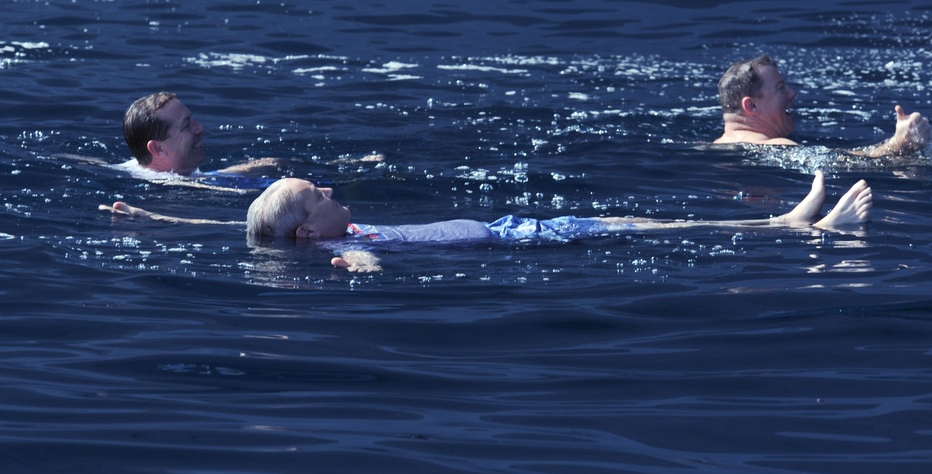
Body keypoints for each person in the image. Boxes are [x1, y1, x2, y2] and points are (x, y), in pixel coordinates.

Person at [100, 172, 874, 273]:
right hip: (511, 242)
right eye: (318, 192)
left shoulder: (312, 232)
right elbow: (356, 269)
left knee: (634, 216)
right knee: (638, 228)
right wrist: (363, 270)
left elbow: (228, 233)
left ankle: (783, 221)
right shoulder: (342, 250)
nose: (333, 188)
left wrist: (152, 212)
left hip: (512, 226)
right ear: (311, 230)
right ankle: (796, 230)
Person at [121, 92, 382, 181]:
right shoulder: (179, 189)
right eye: (187, 126)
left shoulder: (129, 167)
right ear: (157, 149)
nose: (201, 129)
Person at [712, 54, 932, 157]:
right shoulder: (777, 146)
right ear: (751, 106)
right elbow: (850, 163)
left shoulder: (712, 149)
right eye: (781, 88)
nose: (792, 93)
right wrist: (900, 143)